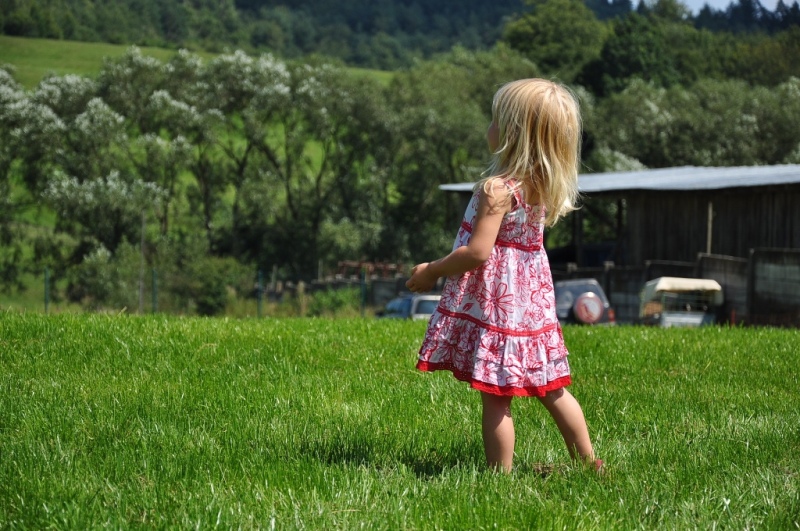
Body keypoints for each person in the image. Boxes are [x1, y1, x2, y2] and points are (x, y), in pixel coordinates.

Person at [405, 78, 601, 474]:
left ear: (512, 133)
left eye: (495, 119)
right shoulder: (542, 186)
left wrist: (433, 270)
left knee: (496, 396)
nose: (488, 127)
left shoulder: (497, 189)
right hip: (532, 304)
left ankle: (499, 477)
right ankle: (588, 462)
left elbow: (479, 252)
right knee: (552, 388)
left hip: (501, 303)